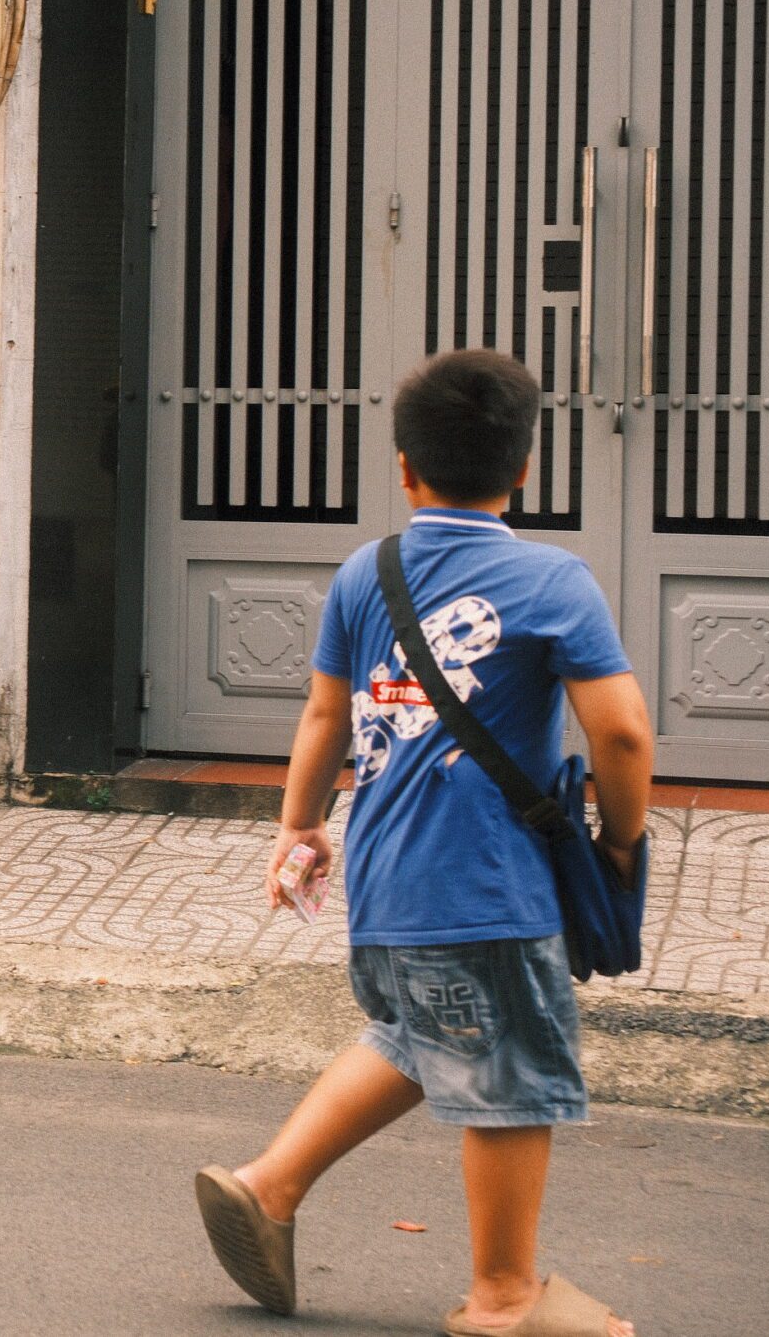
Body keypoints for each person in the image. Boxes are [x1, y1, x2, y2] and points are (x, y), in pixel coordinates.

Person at [193, 349, 652, 1337]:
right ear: (523, 467)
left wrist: (298, 827)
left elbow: (323, 715)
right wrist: (622, 840)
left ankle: (266, 1187)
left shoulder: (370, 570)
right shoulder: (551, 580)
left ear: (404, 467)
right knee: (508, 1087)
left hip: (386, 884)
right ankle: (500, 1297)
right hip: (483, 890)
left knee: (415, 1038)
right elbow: (620, 731)